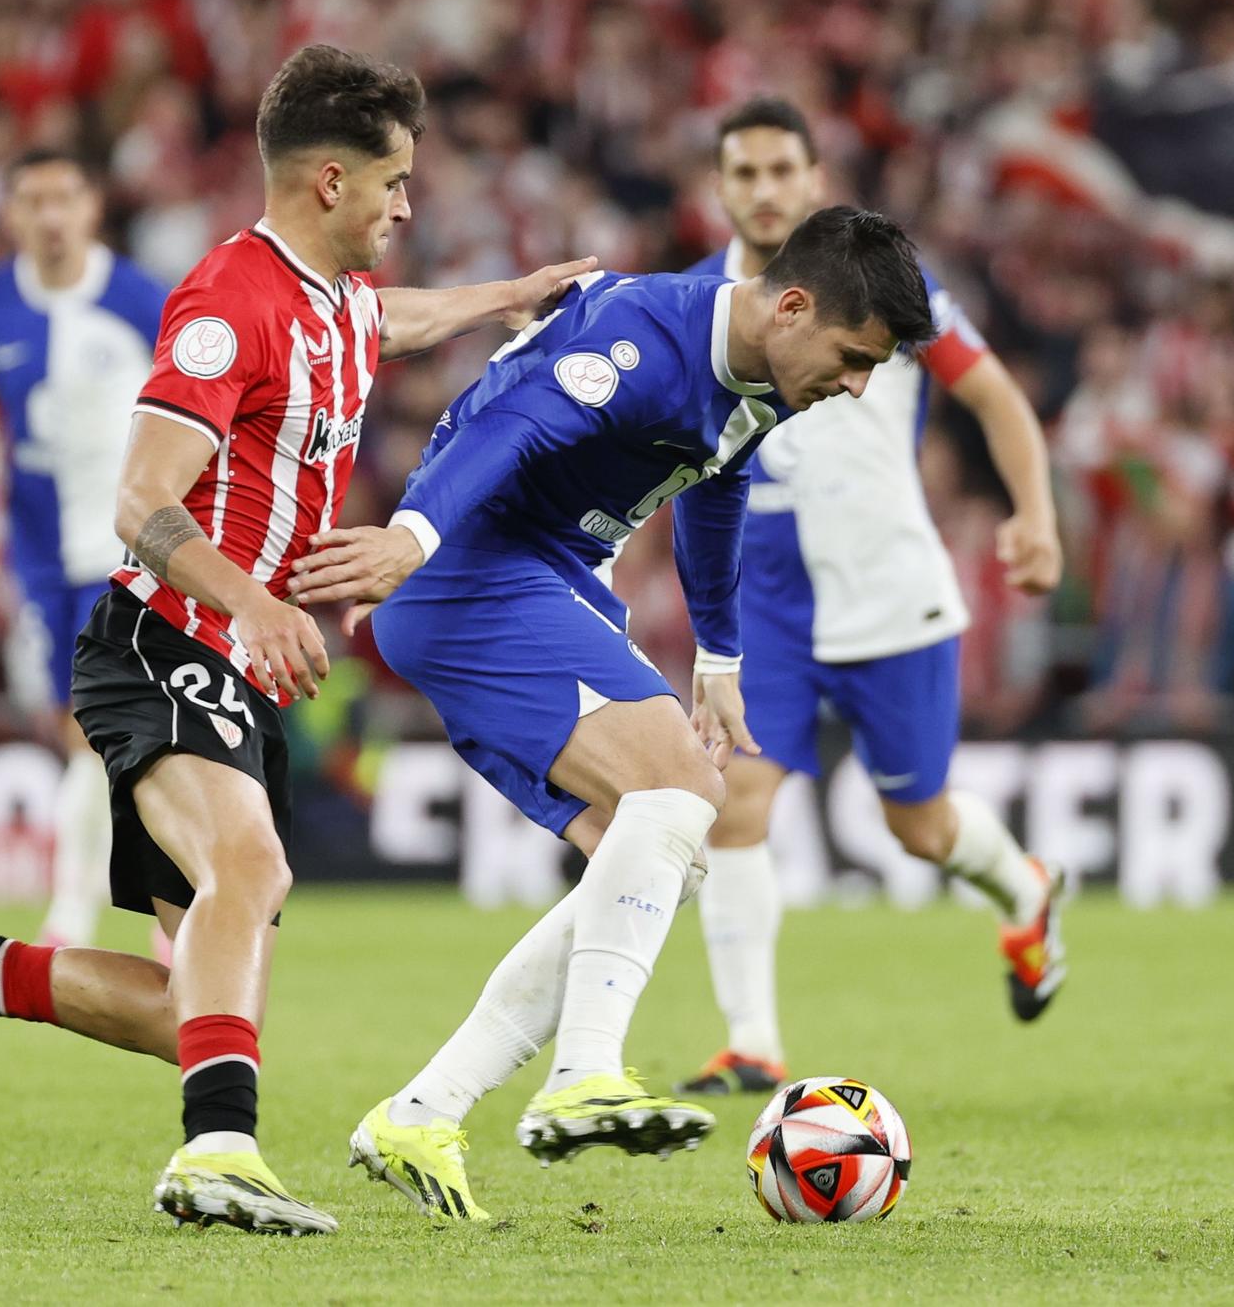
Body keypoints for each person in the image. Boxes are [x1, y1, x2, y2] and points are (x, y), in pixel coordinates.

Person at [0, 44, 596, 1238]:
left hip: (241, 674)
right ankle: (217, 1155)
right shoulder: (221, 301)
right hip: (165, 638)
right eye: (394, 181)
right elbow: (139, 502)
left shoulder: (335, 299)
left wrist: (503, 302)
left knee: (188, 1006)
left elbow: (384, 325)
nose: (409, 203)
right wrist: (252, 600)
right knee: (249, 877)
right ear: (328, 183)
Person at [289, 206, 938, 1222]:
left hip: (537, 575)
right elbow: (512, 426)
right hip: (471, 566)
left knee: (663, 852)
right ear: (794, 305)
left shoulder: (760, 376)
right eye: (854, 358)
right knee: (684, 789)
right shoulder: (644, 338)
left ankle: (423, 1109)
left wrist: (718, 654)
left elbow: (718, 482)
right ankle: (581, 1074)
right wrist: (411, 536)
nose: (857, 386)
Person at [673, 99, 1068, 1099]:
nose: (762, 190)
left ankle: (1023, 889)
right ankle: (752, 1041)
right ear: (718, 189)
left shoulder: (889, 286)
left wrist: (1033, 513)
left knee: (919, 827)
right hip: (761, 593)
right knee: (736, 800)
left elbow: (993, 396)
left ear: (812, 179)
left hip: (886, 583)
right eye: (743, 173)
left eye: (779, 170)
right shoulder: (695, 302)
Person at [0, 147, 169, 950]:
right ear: (10, 214)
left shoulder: (141, 299)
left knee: (114, 727)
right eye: (32, 201)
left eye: (65, 197)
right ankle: (138, 908)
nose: (50, 216)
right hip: (42, 555)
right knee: (76, 727)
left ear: (93, 207)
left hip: (132, 546)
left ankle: (93, 912)